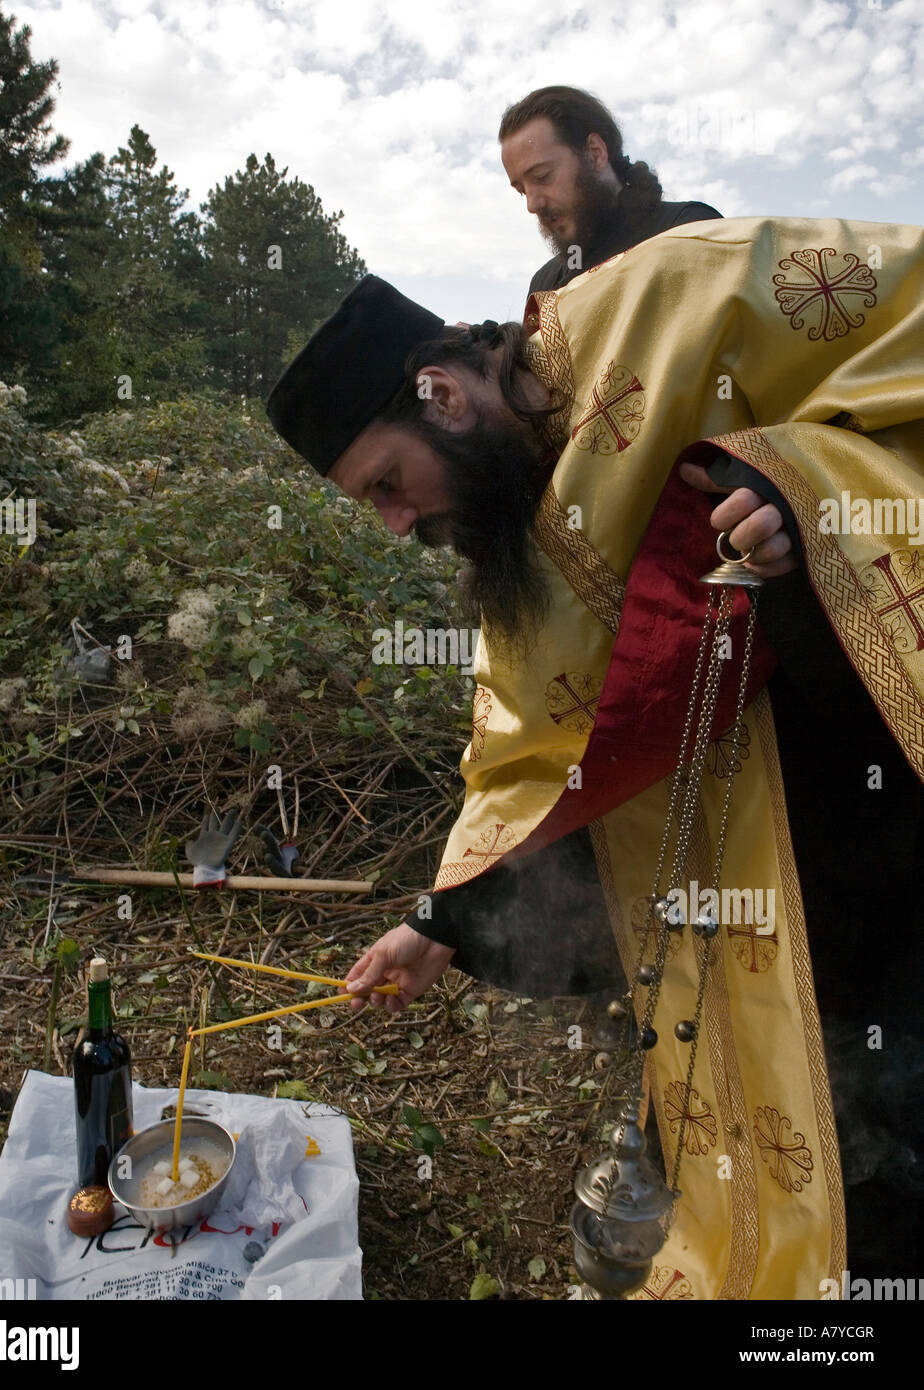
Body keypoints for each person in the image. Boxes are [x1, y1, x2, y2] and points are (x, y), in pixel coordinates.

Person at [265, 217, 924, 1299]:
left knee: (894, 1125)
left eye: (385, 482)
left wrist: (805, 495)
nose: (392, 523)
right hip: (732, 875)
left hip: (868, 800)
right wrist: (440, 920)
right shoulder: (512, 521)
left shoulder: (675, 296)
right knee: (818, 1127)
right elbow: (535, 742)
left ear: (440, 392)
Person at [499, 85, 722, 294]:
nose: (532, 204)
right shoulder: (546, 284)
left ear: (595, 153)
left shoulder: (691, 233)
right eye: (521, 190)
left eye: (542, 176)